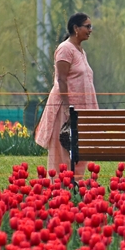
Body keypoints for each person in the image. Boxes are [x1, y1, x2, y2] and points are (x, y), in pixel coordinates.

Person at [35, 12, 98, 177]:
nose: (90, 30)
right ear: (76, 28)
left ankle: (77, 187)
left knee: (80, 150)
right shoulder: (65, 49)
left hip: (81, 110)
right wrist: (67, 107)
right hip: (66, 110)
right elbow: (61, 80)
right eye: (87, 26)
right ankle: (61, 189)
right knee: (64, 151)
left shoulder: (80, 51)